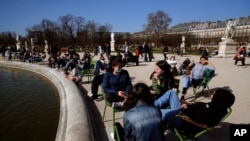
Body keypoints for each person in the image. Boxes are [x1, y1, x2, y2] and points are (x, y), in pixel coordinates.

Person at [155, 88, 235, 137]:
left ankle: (148, 109)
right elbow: (198, 108)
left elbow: (203, 125)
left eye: (215, 93)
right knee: (171, 92)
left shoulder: (213, 112)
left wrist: (184, 113)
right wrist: (188, 105)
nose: (213, 93)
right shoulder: (215, 105)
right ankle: (148, 106)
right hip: (183, 112)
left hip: (183, 121)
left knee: (155, 113)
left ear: (219, 98)